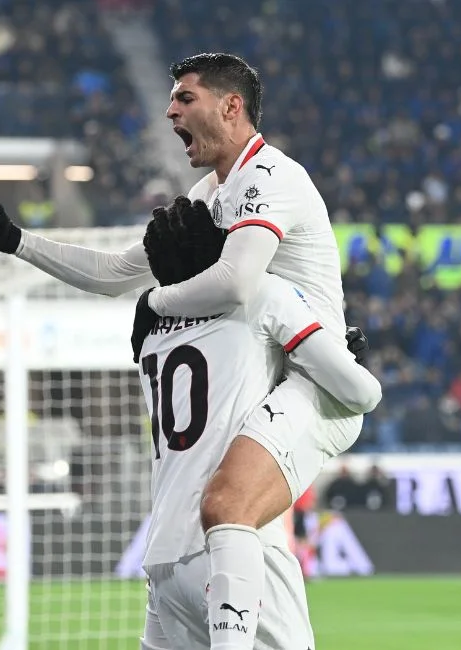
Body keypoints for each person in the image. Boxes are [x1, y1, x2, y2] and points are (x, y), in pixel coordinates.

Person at [0, 53, 363, 650]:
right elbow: (114, 271)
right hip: (261, 371)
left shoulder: (273, 176)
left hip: (315, 380)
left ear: (231, 106)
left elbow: (237, 280)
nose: (170, 110)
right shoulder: (210, 193)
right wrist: (20, 243)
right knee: (207, 520)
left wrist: (157, 305)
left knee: (226, 503)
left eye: (184, 98)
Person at [136, 199, 381, 650]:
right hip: (236, 548)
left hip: (164, 560)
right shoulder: (257, 297)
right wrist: (341, 359)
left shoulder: (151, 337)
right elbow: (362, 393)